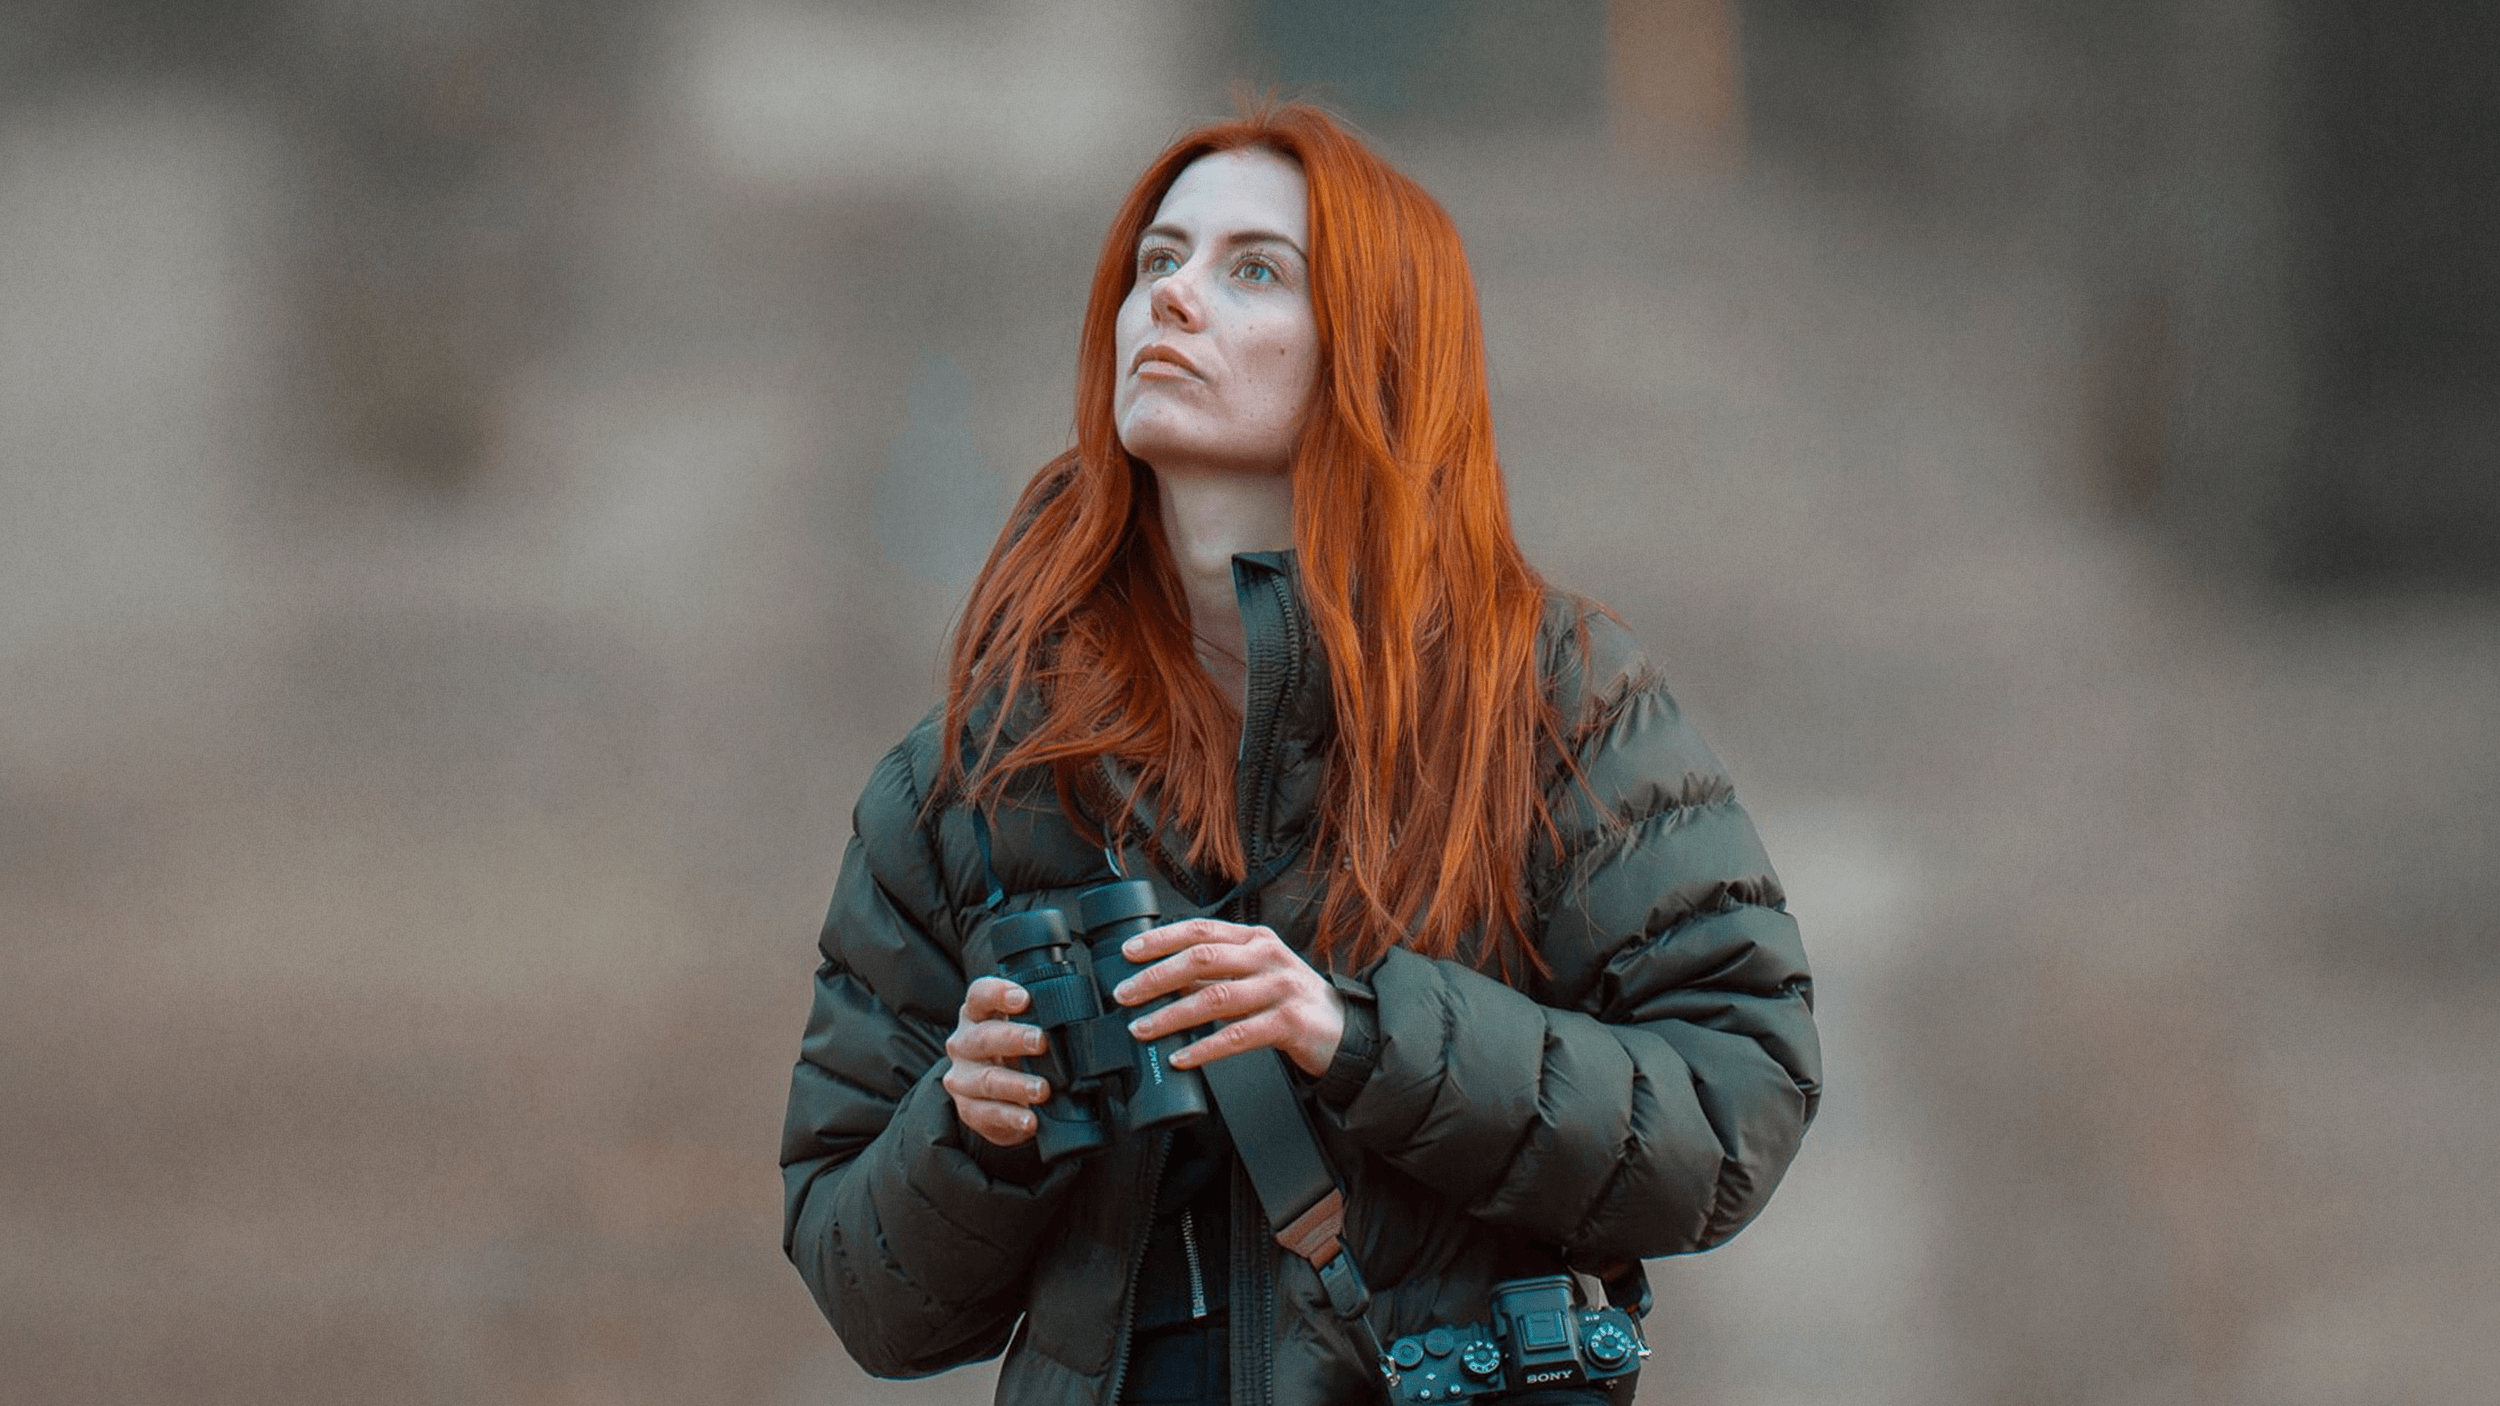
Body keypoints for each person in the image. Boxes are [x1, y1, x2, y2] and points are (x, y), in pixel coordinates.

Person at [779, 103, 1820, 1406]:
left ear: (1376, 352)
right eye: (1159, 261)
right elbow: (864, 1289)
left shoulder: (1546, 698)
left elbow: (1734, 1106)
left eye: (1255, 269)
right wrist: (969, 1124)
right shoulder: (981, 768)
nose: (1174, 298)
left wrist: (1357, 1033)